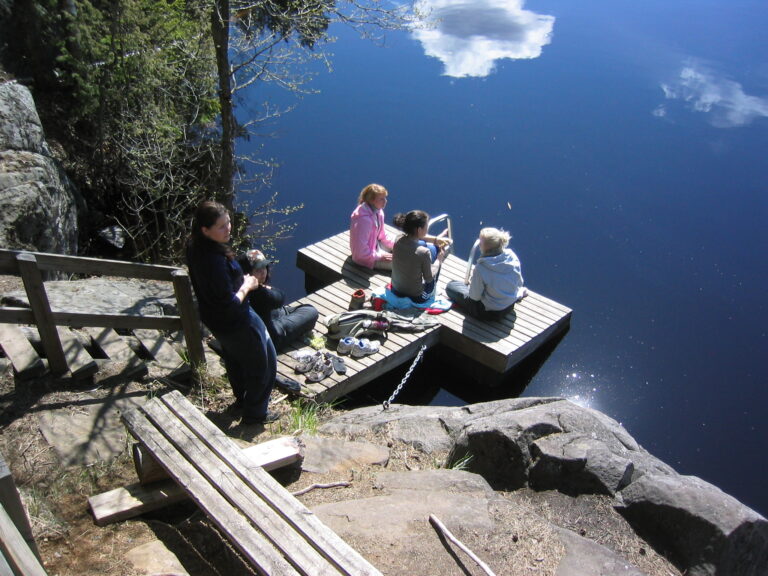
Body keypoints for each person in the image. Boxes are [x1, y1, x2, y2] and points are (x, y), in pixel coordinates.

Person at [186, 200, 299, 426]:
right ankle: (255, 415)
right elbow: (229, 302)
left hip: (218, 320)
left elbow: (220, 283)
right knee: (263, 365)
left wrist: (244, 262)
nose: (228, 228)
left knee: (236, 357)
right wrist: (248, 285)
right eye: (221, 226)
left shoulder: (196, 247)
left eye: (228, 222)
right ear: (205, 230)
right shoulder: (213, 261)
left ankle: (241, 401)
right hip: (236, 320)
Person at [236, 249, 319, 352]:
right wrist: (266, 288)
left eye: (264, 267)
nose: (263, 272)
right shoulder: (258, 293)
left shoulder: (236, 287)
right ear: (247, 273)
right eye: (257, 270)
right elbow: (280, 297)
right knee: (311, 311)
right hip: (271, 338)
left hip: (263, 321)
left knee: (290, 310)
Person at [445, 227, 527, 320]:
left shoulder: (482, 268)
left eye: (480, 242)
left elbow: (474, 297)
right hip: (509, 306)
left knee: (451, 286)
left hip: (488, 313)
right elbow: (519, 282)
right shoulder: (512, 256)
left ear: (485, 248)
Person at [390, 210, 448, 303]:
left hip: (395, 289)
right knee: (436, 257)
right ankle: (434, 291)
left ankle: (435, 248)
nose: (427, 228)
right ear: (419, 230)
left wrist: (436, 239)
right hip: (417, 297)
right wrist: (439, 260)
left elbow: (417, 237)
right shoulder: (423, 252)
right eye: (426, 226)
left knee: (426, 244)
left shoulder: (398, 239)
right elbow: (429, 278)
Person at [350, 183, 396, 270]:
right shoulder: (363, 221)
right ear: (372, 201)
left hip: (375, 247)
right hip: (367, 258)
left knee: (400, 243)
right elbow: (360, 253)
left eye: (385, 198)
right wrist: (381, 256)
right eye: (381, 199)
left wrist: (398, 246)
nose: (385, 201)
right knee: (404, 266)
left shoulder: (379, 212)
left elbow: (382, 236)